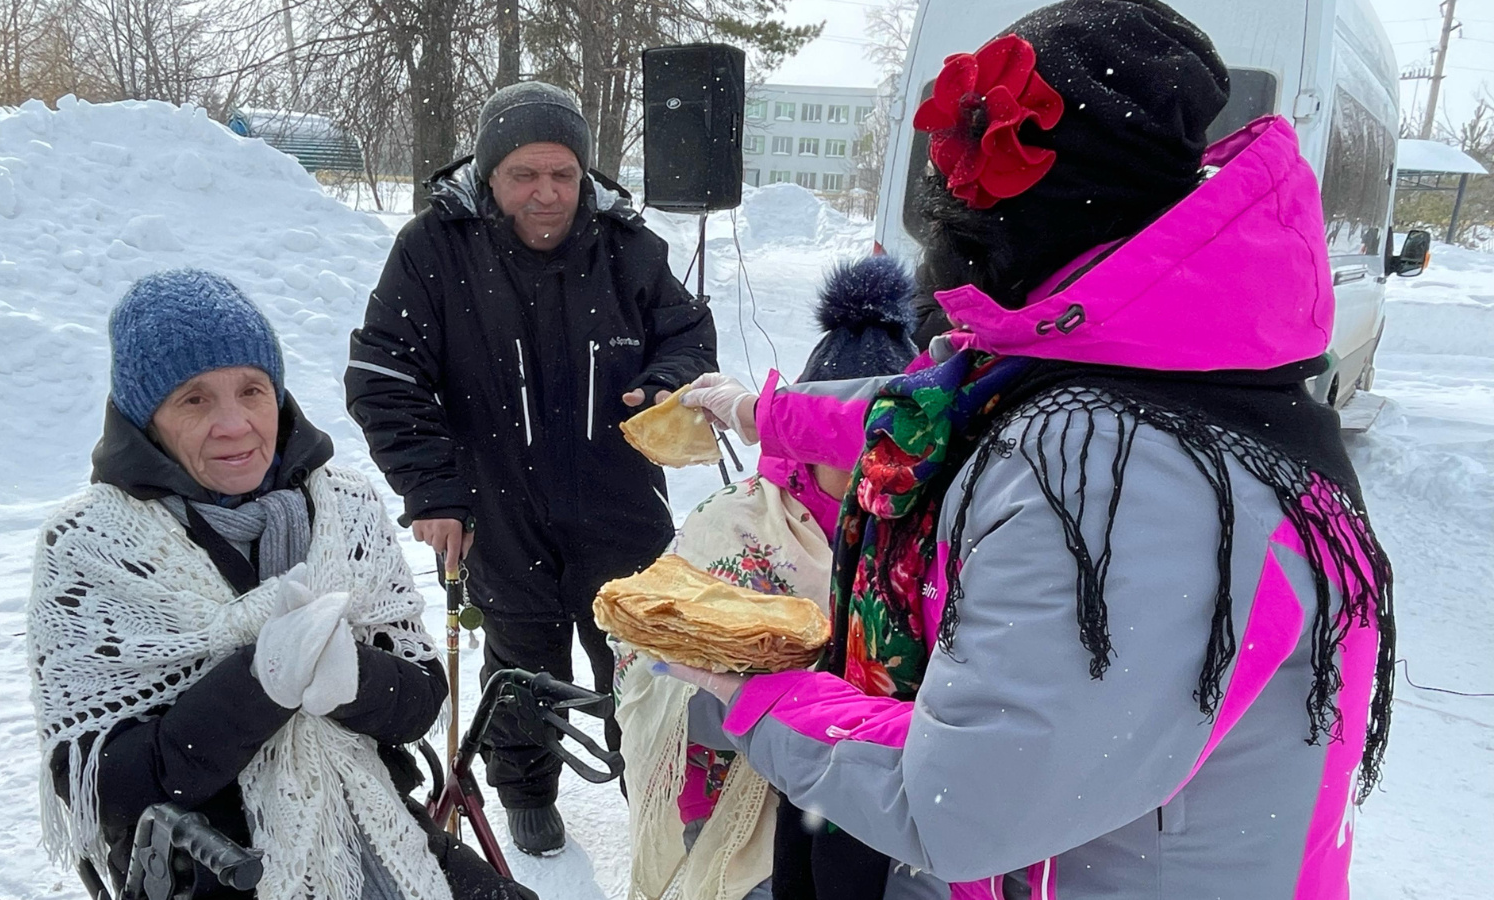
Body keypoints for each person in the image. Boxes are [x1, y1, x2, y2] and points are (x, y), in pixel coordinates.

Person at [674, 2, 1397, 898]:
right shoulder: (1143, 355)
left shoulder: (1114, 467)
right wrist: (764, 412)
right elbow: (935, 413)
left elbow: (959, 799)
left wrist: (751, 690)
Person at [26, 269, 535, 900]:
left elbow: (420, 700)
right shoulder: (89, 545)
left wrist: (354, 680)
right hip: (202, 862)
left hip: (370, 817)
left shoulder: (343, 506)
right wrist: (258, 684)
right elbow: (108, 788)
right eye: (194, 399)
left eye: (252, 390)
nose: (235, 424)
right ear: (145, 417)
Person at [345, 81, 718, 854]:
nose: (546, 194)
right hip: (494, 500)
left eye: (563, 175)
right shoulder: (434, 248)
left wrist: (666, 383)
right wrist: (433, 491)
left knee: (641, 659)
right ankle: (525, 787)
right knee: (519, 655)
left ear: (584, 176)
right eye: (524, 175)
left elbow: (688, 337)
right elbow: (384, 376)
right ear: (489, 176)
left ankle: (647, 782)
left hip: (618, 499)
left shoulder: (629, 248)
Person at [615, 256, 918, 900]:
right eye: (852, 449)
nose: (873, 470)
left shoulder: (928, 534)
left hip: (884, 804)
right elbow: (656, 680)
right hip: (739, 798)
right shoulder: (737, 527)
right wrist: (754, 685)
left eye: (893, 453)